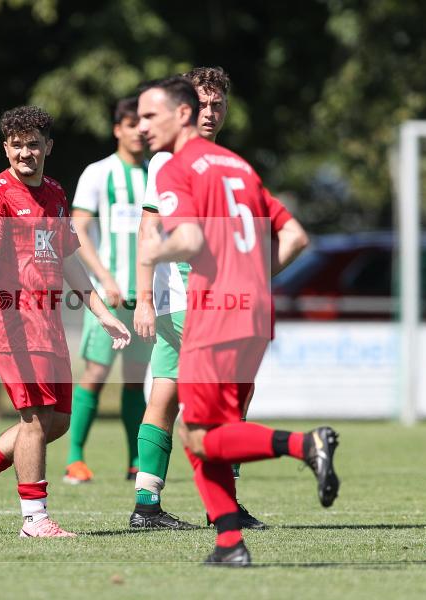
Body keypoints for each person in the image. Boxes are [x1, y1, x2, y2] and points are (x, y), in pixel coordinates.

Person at [137, 77, 340, 566]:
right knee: (211, 429)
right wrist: (253, 276)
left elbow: (187, 239)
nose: (142, 127)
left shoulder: (173, 166)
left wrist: (153, 253)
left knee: (200, 434)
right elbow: (295, 237)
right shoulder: (238, 165)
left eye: (150, 116)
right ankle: (229, 541)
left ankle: (305, 444)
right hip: (255, 310)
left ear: (180, 113)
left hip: (213, 311)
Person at [0, 106, 131, 538]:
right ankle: (35, 519)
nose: (24, 153)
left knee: (57, 421)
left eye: (32, 144)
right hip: (13, 323)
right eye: (16, 145)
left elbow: (70, 260)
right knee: (33, 420)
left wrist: (103, 314)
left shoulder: (56, 193)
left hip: (49, 324)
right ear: (5, 148)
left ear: (48, 146)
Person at [130, 67, 274, 530]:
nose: (209, 112)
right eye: (202, 104)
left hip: (199, 299)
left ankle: (147, 505)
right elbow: (149, 229)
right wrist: (144, 299)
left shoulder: (221, 161)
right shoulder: (169, 160)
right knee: (223, 398)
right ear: (184, 109)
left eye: (217, 104)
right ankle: (220, 504)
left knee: (170, 394)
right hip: (191, 300)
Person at [64, 96, 153, 484]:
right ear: (118, 129)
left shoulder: (156, 173)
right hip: (107, 294)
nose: (139, 131)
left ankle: (135, 461)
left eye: (144, 124)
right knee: (96, 374)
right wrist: (105, 277)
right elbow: (78, 230)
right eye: (131, 124)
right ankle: (74, 459)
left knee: (136, 380)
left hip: (144, 299)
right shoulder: (99, 173)